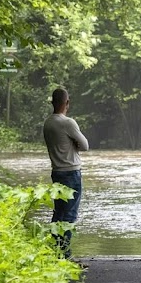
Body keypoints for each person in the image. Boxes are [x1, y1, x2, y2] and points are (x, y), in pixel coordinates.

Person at [42, 87, 89, 259]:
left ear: (52, 103)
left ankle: (56, 252)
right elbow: (85, 145)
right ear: (67, 103)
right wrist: (74, 145)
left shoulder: (48, 122)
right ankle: (66, 255)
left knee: (59, 213)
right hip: (71, 173)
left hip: (56, 172)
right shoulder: (68, 123)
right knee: (69, 216)